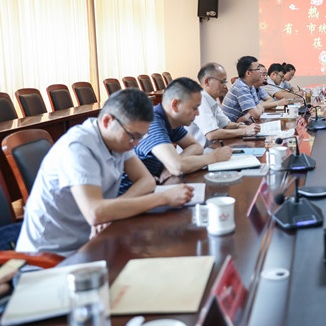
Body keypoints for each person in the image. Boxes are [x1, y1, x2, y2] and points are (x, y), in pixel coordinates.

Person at [16, 89, 194, 256]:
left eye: (140, 137)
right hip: (53, 255)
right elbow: (95, 213)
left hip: (92, 239)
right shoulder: (78, 147)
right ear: (108, 121)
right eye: (134, 136)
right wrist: (163, 198)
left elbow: (146, 180)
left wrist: (111, 211)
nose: (136, 143)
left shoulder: (118, 139)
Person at [122, 77, 233, 193]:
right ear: (175, 105)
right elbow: (177, 167)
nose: (197, 113)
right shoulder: (152, 121)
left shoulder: (171, 121)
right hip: (130, 194)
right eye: (194, 108)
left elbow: (196, 147)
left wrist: (172, 163)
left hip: (153, 185)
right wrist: (213, 157)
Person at [187, 63, 259, 149]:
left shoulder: (212, 99)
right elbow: (211, 134)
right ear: (207, 82)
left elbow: (226, 124)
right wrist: (244, 131)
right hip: (199, 153)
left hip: (211, 148)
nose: (225, 86)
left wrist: (243, 126)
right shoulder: (200, 100)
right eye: (222, 81)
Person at [222, 56, 265, 122]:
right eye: (258, 69)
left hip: (240, 124)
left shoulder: (250, 86)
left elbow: (259, 106)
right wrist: (252, 113)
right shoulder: (241, 87)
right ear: (248, 73)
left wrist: (248, 115)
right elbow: (256, 114)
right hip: (230, 126)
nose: (260, 72)